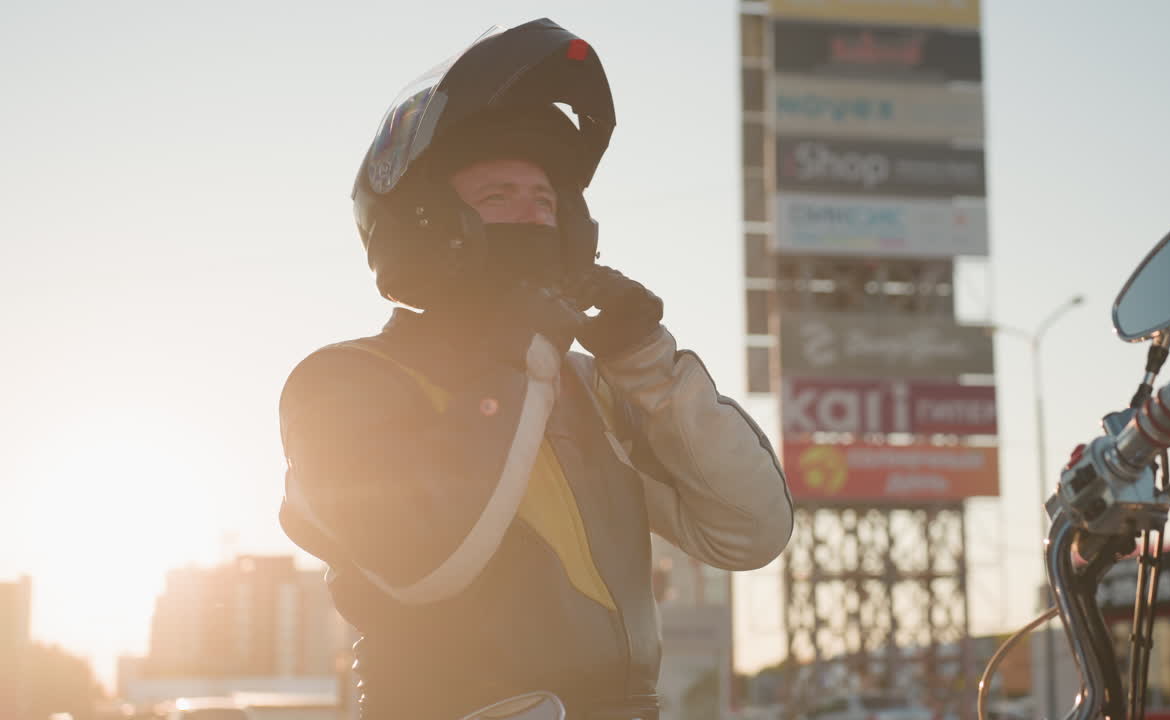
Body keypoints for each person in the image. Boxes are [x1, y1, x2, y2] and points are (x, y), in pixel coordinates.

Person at [277, 19, 793, 720]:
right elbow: (424, 557)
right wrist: (523, 348)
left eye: (546, 201)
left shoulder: (583, 386)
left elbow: (750, 530)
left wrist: (646, 364)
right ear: (427, 225)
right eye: (498, 199)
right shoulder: (341, 383)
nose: (533, 217)